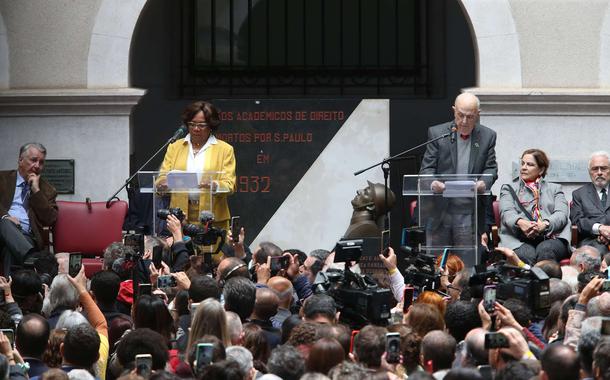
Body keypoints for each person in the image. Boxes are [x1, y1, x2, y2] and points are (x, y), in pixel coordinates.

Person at [419, 93, 497, 266]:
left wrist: (484, 182)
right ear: (454, 111)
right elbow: (426, 170)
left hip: (469, 210)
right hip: (440, 210)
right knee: (438, 263)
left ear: (478, 114)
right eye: (460, 115)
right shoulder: (437, 133)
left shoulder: (488, 136)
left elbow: (491, 168)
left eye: (469, 117)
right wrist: (433, 183)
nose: (464, 121)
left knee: (466, 264)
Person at [157, 101, 236, 240]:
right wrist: (162, 184)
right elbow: (161, 178)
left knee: (212, 259)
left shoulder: (225, 149)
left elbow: (230, 185)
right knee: (183, 258)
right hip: (180, 218)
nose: (196, 129)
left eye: (201, 125)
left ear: (211, 125)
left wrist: (214, 185)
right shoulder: (175, 147)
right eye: (192, 124)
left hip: (212, 217)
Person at [498, 149, 571, 264]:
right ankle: (529, 282)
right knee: (526, 255)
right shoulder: (508, 189)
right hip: (518, 239)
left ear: (541, 169)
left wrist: (545, 224)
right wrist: (521, 223)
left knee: (546, 251)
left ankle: (549, 282)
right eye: (522, 163)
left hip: (551, 237)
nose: (523, 167)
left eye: (530, 164)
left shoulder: (555, 189)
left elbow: (561, 214)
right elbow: (507, 213)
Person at [0, 143, 57, 274]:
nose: (37, 166)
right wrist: (5, 217)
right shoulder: (2, 179)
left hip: (26, 237)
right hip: (1, 231)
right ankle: (32, 258)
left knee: (11, 250)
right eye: (33, 160)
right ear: (20, 160)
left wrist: (36, 191)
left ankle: (13, 292)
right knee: (4, 223)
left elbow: (50, 219)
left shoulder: (48, 190)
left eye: (41, 162)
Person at [571, 151, 610, 254]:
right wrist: (600, 229)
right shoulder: (579, 194)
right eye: (595, 169)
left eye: (604, 168)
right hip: (591, 240)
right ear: (589, 172)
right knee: (596, 252)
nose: (599, 172)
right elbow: (577, 221)